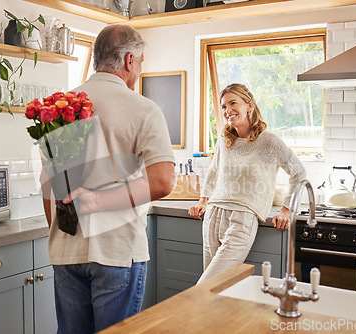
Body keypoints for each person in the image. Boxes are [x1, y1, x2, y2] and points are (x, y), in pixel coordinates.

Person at [41, 24, 175, 333]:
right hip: (116, 250)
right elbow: (163, 182)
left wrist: (63, 235)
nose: (139, 70)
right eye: (140, 62)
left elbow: (47, 183)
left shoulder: (57, 108)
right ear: (129, 60)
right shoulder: (142, 108)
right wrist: (98, 200)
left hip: (67, 249)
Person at [188, 83, 306, 284]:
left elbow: (299, 173)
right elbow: (214, 171)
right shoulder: (224, 140)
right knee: (218, 291)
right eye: (224, 106)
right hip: (213, 214)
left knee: (205, 286)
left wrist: (287, 209)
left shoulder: (269, 141)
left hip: (242, 217)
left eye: (233, 103)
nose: (227, 110)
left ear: (249, 105)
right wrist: (203, 200)